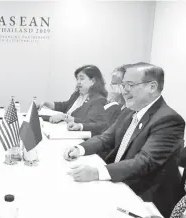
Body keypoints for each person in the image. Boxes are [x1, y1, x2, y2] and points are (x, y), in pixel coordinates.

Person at [63, 63, 185, 218]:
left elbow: (144, 162)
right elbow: (107, 137)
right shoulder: (130, 110)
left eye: (130, 85)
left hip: (146, 200)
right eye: (123, 85)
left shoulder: (169, 120)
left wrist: (97, 172)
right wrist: (79, 149)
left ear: (152, 87)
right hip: (120, 182)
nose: (124, 91)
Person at [39, 65, 108, 136]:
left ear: (93, 81)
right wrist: (46, 103)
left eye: (81, 79)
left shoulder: (98, 100)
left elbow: (90, 122)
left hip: (76, 135)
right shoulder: (77, 94)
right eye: (77, 79)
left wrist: (64, 117)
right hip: (63, 128)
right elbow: (65, 106)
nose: (78, 82)